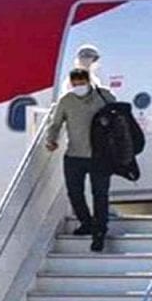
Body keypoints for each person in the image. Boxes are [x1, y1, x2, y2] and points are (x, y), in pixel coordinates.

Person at [46, 68, 116, 251]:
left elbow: (119, 120)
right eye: (75, 84)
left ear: (88, 81)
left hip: (100, 157)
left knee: (100, 195)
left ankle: (99, 231)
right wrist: (50, 140)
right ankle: (86, 222)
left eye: (81, 84)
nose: (78, 87)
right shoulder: (66, 101)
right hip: (74, 155)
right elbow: (55, 124)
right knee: (74, 193)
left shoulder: (104, 97)